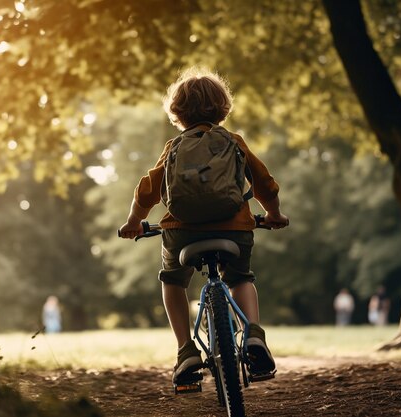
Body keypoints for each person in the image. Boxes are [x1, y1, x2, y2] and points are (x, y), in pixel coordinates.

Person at [119, 67, 289, 383]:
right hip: (235, 228)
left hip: (181, 232)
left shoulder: (173, 147)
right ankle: (253, 333)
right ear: (223, 108)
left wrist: (133, 222)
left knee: (172, 280)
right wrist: (274, 214)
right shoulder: (234, 142)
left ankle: (185, 351)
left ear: (177, 113)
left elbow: (147, 190)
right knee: (240, 278)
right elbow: (265, 184)